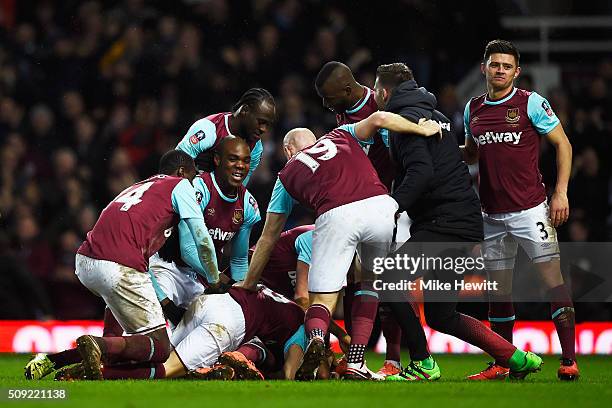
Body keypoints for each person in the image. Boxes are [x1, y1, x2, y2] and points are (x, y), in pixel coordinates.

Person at [236, 111, 441, 380]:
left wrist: (249, 284)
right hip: (381, 206)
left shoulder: (286, 174)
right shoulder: (341, 134)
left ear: (288, 150)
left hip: (336, 215)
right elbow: (379, 118)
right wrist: (419, 128)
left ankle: (318, 339)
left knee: (323, 298)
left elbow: (269, 236)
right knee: (369, 283)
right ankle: (356, 361)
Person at [374, 62, 543, 381]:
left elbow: (420, 172)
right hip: (463, 222)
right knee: (441, 314)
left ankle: (423, 363)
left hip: (443, 222)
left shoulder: (404, 120)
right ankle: (515, 357)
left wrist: (392, 206)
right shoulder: (434, 115)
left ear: (384, 92)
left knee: (390, 280)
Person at [25, 150, 221, 381]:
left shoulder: (140, 187)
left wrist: (163, 300)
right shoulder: (181, 185)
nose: (194, 182)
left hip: (87, 261)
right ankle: (97, 344)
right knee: (159, 347)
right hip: (119, 265)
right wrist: (214, 279)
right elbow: (202, 239)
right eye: (192, 175)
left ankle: (52, 361)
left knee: (115, 340)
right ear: (181, 172)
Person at [462, 40, 577, 380]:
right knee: (498, 289)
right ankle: (505, 361)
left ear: (516, 71)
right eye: (494, 64)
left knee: (551, 281)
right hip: (491, 214)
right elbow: (471, 154)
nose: (499, 70)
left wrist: (560, 193)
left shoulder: (531, 103)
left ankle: (569, 359)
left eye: (506, 66)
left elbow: (563, 144)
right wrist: (433, 149)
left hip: (531, 210)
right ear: (484, 67)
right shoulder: (473, 109)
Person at [315, 61, 417, 377]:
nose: (325, 104)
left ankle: (395, 358)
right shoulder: (343, 113)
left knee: (389, 281)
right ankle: (357, 357)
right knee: (353, 281)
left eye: (329, 97)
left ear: (347, 89)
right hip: (358, 204)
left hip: (393, 203)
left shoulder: (381, 104)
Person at [150, 137, 261, 322]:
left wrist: (240, 291)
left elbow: (239, 259)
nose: (240, 166)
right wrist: (220, 280)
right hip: (167, 267)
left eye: (246, 161)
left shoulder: (248, 206)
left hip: (200, 277)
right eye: (233, 159)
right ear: (217, 160)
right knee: (156, 324)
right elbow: (188, 250)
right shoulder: (197, 188)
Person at [176, 88, 276, 185]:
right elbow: (176, 164)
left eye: (267, 125)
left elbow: (239, 186)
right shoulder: (209, 129)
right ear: (245, 110)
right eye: (261, 122)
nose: (264, 129)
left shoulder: (256, 148)